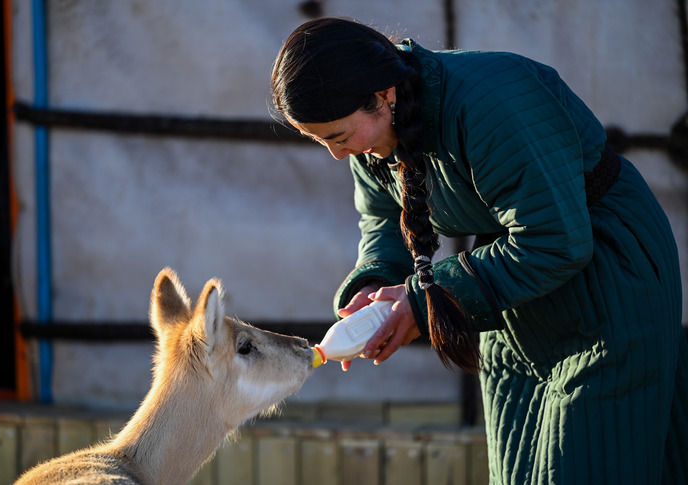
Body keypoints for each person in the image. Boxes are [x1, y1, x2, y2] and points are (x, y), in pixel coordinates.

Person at [271, 17, 687, 484]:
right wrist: (374, 283)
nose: (337, 155)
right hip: (508, 300)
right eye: (322, 141)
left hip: (605, 279)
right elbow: (383, 219)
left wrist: (423, 299)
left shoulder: (491, 101)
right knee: (519, 470)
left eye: (339, 137)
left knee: (593, 461)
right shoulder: (374, 141)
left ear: (384, 94)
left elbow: (555, 240)